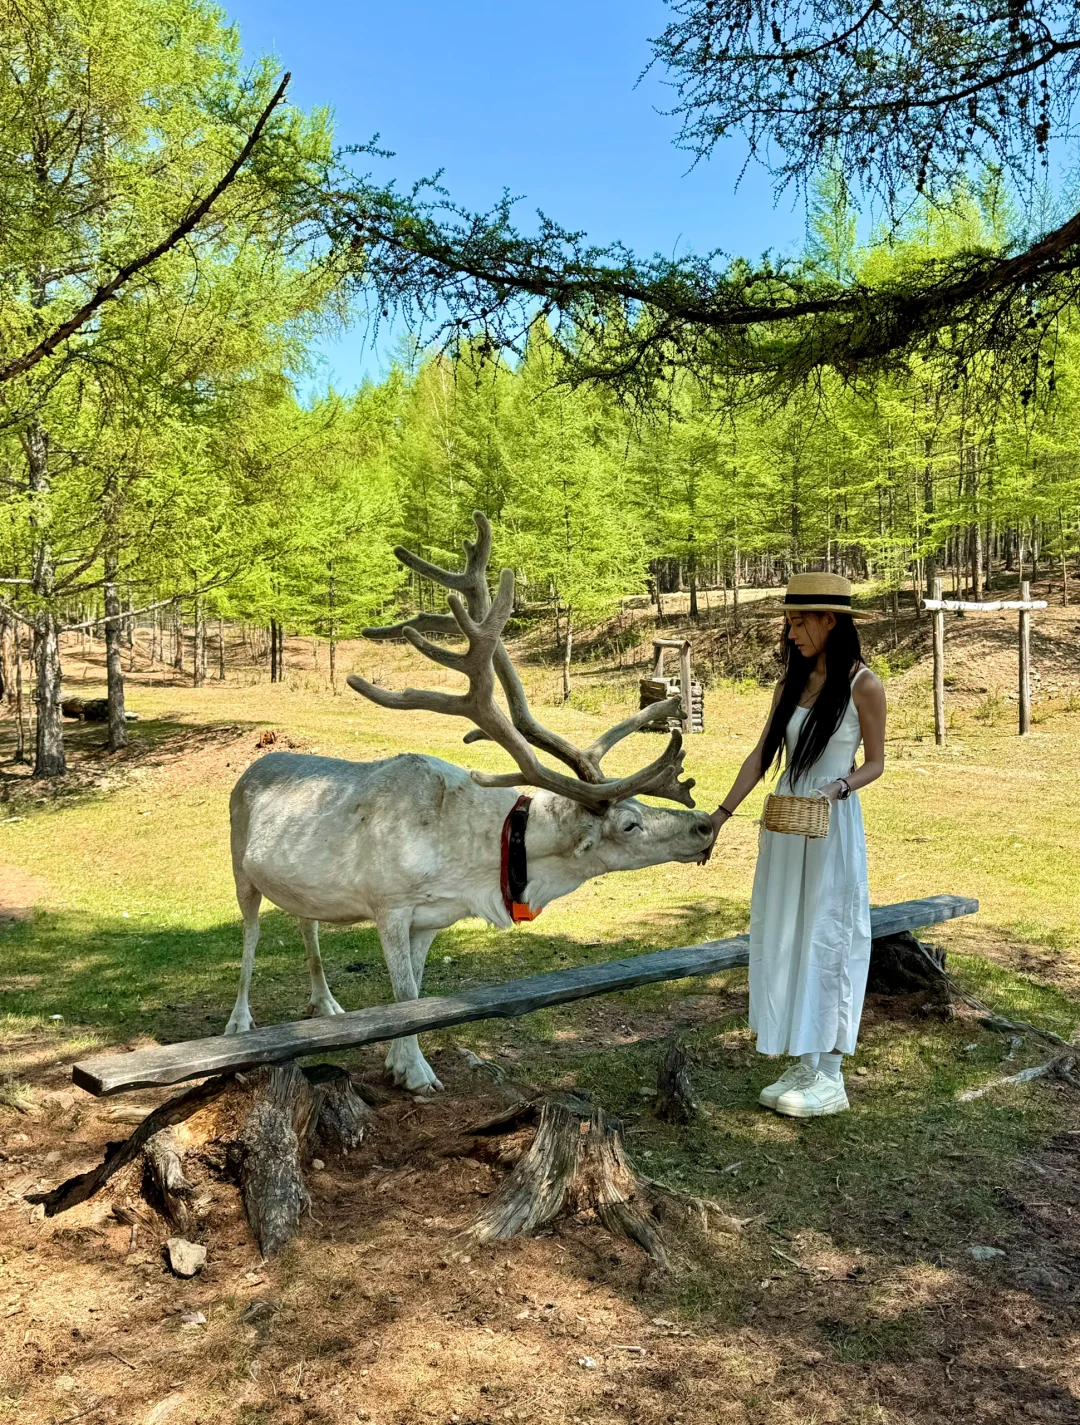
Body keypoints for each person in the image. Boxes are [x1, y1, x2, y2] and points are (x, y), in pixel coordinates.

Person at [710, 574, 886, 1117]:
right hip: (786, 828)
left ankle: (831, 1076)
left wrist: (841, 786)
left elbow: (876, 763)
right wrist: (720, 815)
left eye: (798, 621)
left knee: (829, 934)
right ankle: (806, 1060)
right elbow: (761, 755)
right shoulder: (790, 684)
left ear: (829, 621)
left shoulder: (864, 686)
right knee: (786, 931)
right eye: (789, 622)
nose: (790, 633)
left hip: (831, 827)